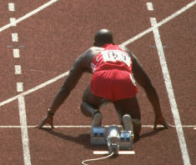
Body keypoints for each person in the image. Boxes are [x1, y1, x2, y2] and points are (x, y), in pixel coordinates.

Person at [36, 29, 168, 139]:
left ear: (95, 43)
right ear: (113, 42)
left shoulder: (90, 52)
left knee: (85, 104)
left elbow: (66, 88)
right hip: (124, 80)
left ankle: (94, 114)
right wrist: (158, 113)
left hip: (101, 80)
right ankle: (130, 121)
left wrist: (51, 114)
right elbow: (148, 85)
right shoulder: (126, 51)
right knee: (135, 129)